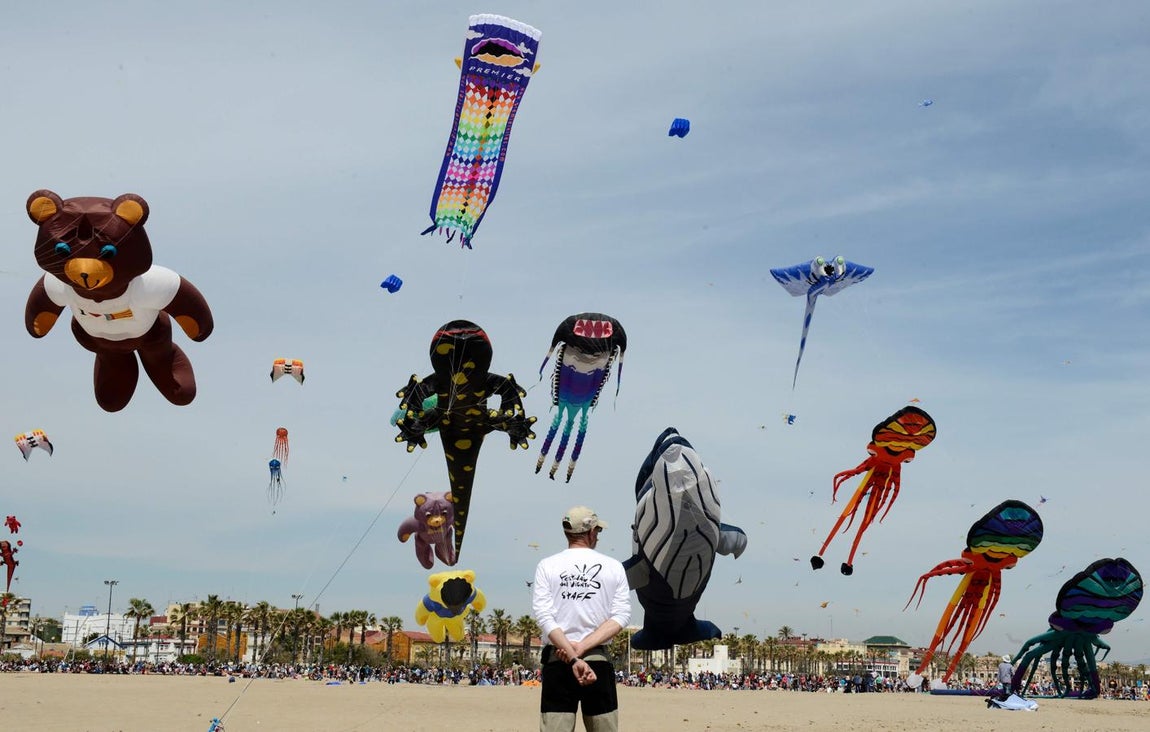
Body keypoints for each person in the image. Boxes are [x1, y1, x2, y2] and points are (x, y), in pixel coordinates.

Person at [533, 506, 631, 732]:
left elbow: (544, 617)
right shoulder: (613, 566)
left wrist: (570, 651)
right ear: (591, 532)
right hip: (597, 661)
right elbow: (622, 615)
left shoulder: (547, 565)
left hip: (558, 660)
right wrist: (582, 648)